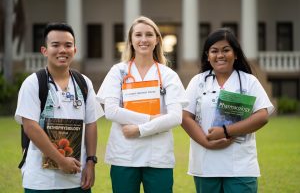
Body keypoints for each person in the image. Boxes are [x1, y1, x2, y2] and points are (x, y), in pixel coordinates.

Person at [97, 16, 187, 193]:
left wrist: (140, 129)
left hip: (158, 158)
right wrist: (151, 118)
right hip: (124, 156)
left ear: (157, 40)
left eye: (149, 34)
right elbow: (111, 111)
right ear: (130, 40)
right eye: (138, 35)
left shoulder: (167, 75)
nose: (143, 39)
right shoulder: (118, 72)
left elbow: (176, 117)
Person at [182, 28, 274, 193]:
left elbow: (262, 116)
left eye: (226, 50)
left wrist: (225, 131)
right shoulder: (198, 81)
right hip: (206, 164)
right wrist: (206, 142)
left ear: (236, 54)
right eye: (214, 51)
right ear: (207, 56)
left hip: (241, 165)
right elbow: (185, 116)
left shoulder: (248, 81)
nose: (220, 55)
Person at [15, 22, 104, 193]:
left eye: (68, 45)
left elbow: (91, 123)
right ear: (45, 50)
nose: (62, 50)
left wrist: (91, 162)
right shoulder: (33, 83)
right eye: (55, 45)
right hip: (41, 181)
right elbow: (30, 127)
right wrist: (61, 160)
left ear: (75, 50)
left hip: (77, 178)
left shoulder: (84, 83)